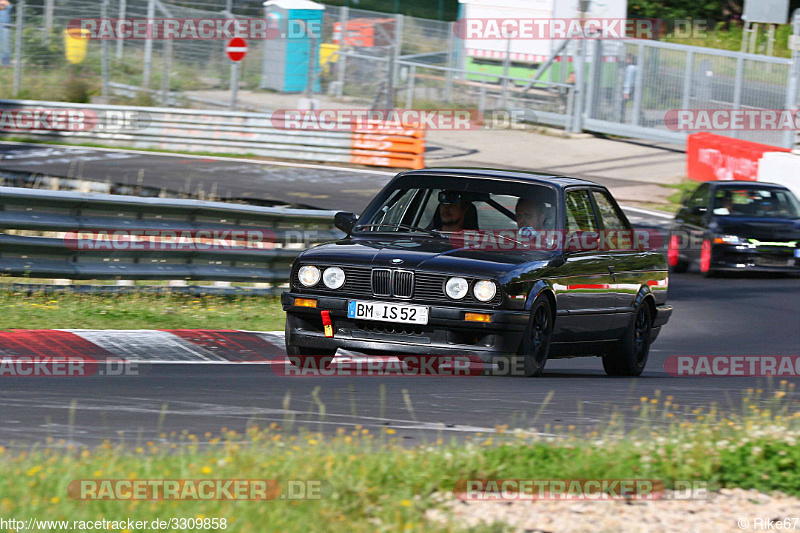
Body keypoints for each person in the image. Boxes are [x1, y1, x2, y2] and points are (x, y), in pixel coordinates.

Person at [0, 0, 12, 68]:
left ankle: (6, 63)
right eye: (1, 5)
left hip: (5, 29)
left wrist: (3, 1)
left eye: (3, 4)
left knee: (6, 47)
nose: (2, 6)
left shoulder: (7, 10)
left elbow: (10, 5)